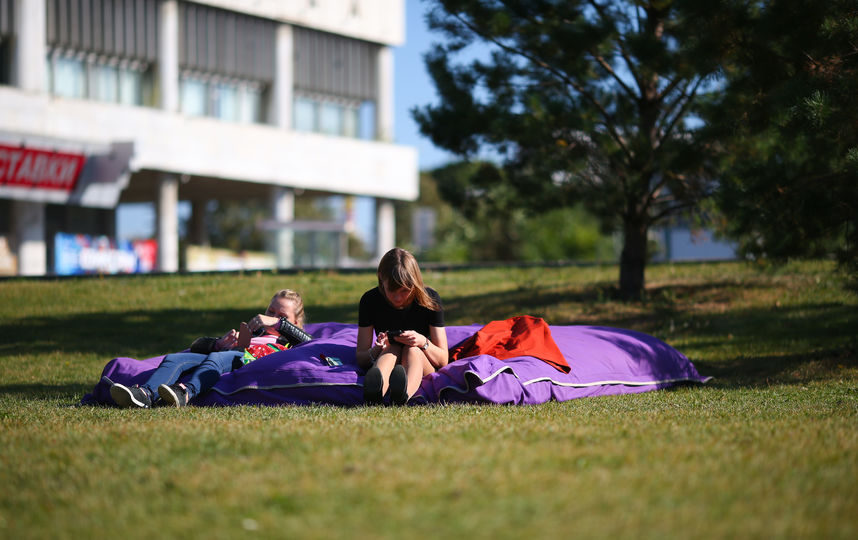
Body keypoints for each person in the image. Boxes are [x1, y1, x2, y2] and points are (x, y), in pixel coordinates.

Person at [109, 289, 310, 408]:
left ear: (295, 322)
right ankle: (144, 395)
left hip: (251, 362)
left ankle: (185, 393)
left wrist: (278, 324)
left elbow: (308, 342)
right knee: (175, 359)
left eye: (281, 315)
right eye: (270, 311)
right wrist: (218, 344)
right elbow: (196, 347)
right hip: (231, 355)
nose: (272, 316)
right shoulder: (254, 333)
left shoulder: (289, 341)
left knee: (219, 359)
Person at [356, 248, 448, 405]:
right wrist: (376, 349)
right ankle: (376, 392)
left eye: (405, 290)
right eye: (391, 290)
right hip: (389, 356)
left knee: (411, 349)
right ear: (381, 279)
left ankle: (402, 394)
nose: (398, 297)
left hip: (421, 362)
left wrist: (422, 342)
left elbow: (443, 359)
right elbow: (361, 357)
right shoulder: (370, 300)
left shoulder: (430, 299)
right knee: (392, 348)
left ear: (415, 283)